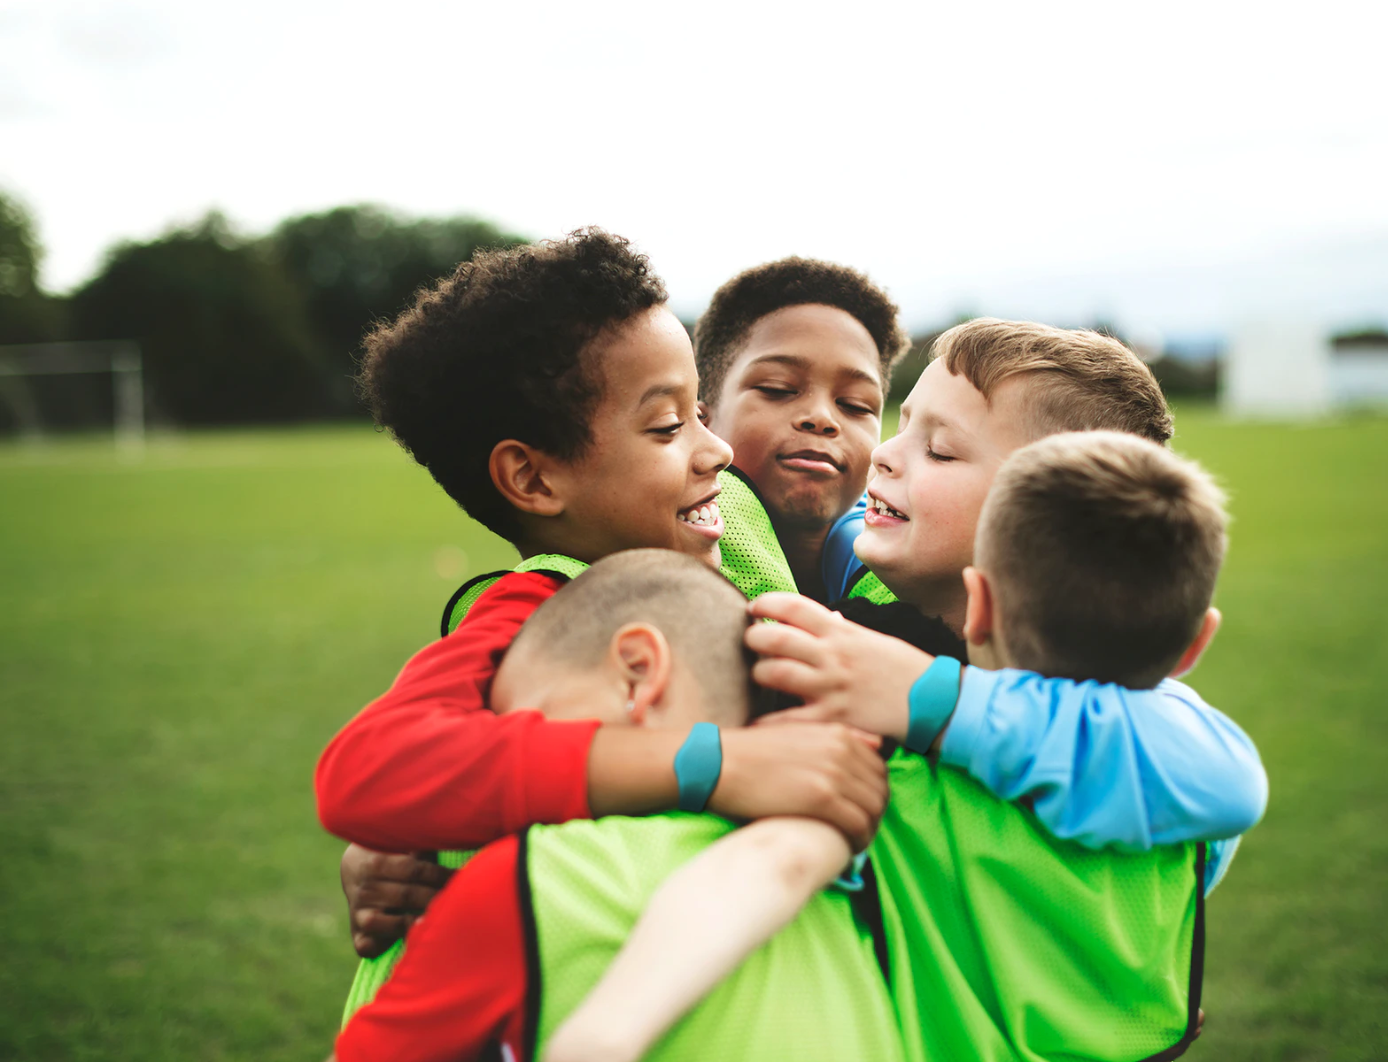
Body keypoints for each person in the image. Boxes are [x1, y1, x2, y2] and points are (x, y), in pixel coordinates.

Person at [548, 321, 1265, 1062]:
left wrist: (928, 696)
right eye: (901, 423)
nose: (883, 455)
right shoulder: (866, 562)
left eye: (941, 448)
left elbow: (1229, 777)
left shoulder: (941, 757)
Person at [316, 229, 890, 1015]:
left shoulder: (729, 517)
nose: (715, 449)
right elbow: (371, 772)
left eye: (699, 411)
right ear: (531, 476)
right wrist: (714, 764)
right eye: (667, 426)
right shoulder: (536, 607)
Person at [330, 550, 905, 1062]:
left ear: (637, 675)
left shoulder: (536, 880)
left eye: (527, 722)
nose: (509, 773)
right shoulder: (847, 887)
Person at [693, 257, 910, 600]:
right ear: (701, 421)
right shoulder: (637, 567)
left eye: (855, 404)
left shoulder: (921, 581)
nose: (822, 417)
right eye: (777, 389)